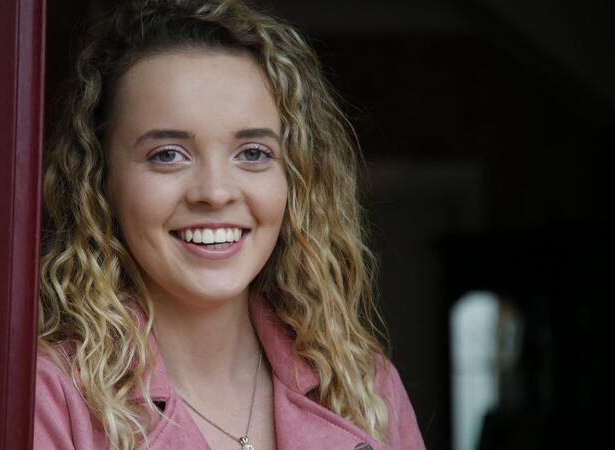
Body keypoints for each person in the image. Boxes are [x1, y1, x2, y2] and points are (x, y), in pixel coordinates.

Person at [34, 1, 426, 449]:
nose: (216, 192)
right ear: (100, 181)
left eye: (253, 153)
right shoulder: (50, 397)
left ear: (294, 176)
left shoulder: (366, 389)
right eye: (167, 154)